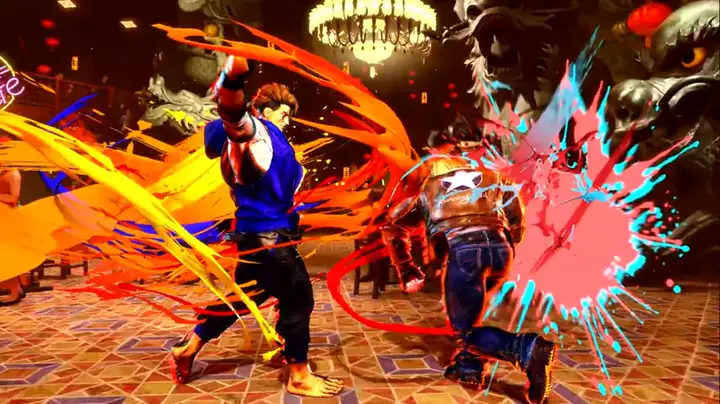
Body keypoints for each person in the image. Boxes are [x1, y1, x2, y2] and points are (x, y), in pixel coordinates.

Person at [168, 56, 343, 398]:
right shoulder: (255, 133)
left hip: (256, 236)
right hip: (268, 240)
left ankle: (188, 346)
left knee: (245, 296)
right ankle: (299, 375)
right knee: (299, 296)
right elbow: (233, 116)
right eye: (283, 113)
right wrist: (232, 81)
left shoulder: (271, 140)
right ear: (263, 110)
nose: (287, 120)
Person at [380, 118, 557, 404]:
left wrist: (406, 267)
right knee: (472, 313)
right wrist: (504, 241)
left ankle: (527, 349)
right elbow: (517, 220)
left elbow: (392, 225)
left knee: (466, 330)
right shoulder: (495, 177)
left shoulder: (429, 188)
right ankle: (468, 367)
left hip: (465, 252)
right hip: (501, 251)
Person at [0, 166, 26, 306]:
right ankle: (15, 289)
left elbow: (14, 198)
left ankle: (15, 290)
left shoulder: (13, 174)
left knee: (5, 255)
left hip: (7, 218)